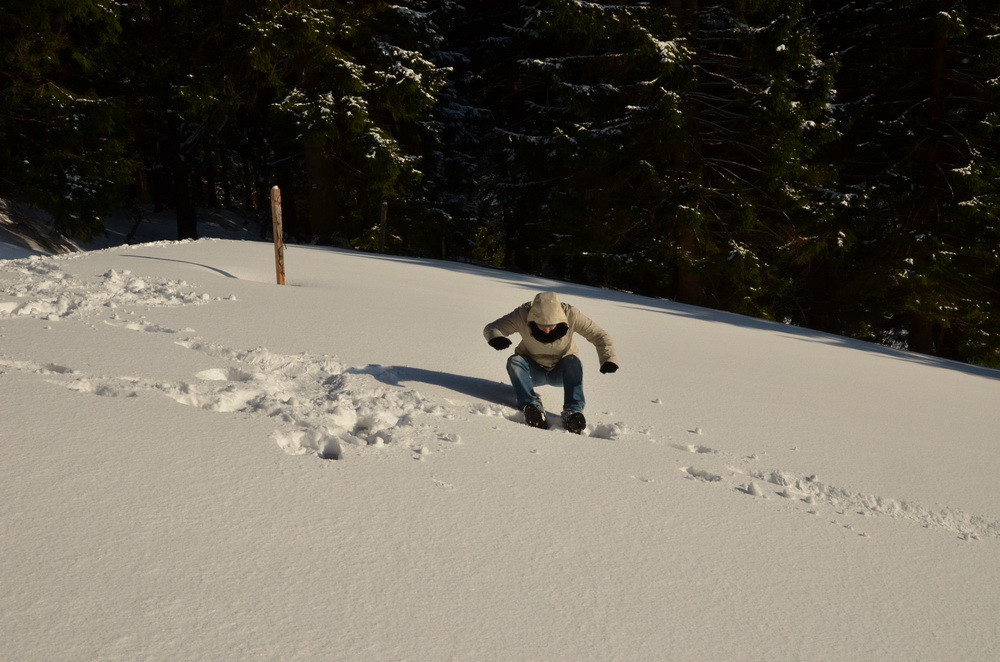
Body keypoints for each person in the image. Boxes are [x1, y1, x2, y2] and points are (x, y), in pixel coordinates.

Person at [483, 291, 618, 433]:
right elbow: (493, 327)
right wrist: (495, 337)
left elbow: (599, 335)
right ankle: (532, 406)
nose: (547, 331)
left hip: (562, 372)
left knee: (574, 361)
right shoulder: (522, 315)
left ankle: (573, 412)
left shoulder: (571, 314)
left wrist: (608, 358)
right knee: (514, 361)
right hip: (532, 372)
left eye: (551, 326)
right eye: (541, 326)